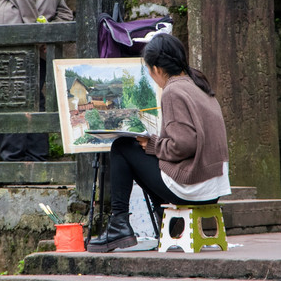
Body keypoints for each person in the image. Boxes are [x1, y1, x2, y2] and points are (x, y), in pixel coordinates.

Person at [87, 33, 231, 253]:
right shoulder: (198, 85)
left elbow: (183, 145)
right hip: (212, 187)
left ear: (156, 68)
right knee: (147, 157)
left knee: (122, 148)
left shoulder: (173, 90)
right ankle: (167, 223)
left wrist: (154, 145)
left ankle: (119, 225)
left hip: (192, 187)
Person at [0, 0, 73, 161]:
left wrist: (35, 33)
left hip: (14, 40)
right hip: (38, 47)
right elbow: (65, 14)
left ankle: (13, 160)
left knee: (10, 96)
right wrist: (46, 35)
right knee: (33, 97)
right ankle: (37, 157)